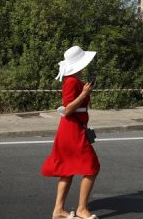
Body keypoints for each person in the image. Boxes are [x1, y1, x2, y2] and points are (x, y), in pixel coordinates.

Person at [41, 46, 100, 219]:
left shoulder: (74, 80)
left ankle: (58, 210)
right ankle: (82, 208)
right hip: (72, 130)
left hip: (73, 128)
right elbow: (67, 110)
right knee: (92, 167)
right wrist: (84, 94)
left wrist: (84, 92)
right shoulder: (72, 81)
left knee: (67, 169)